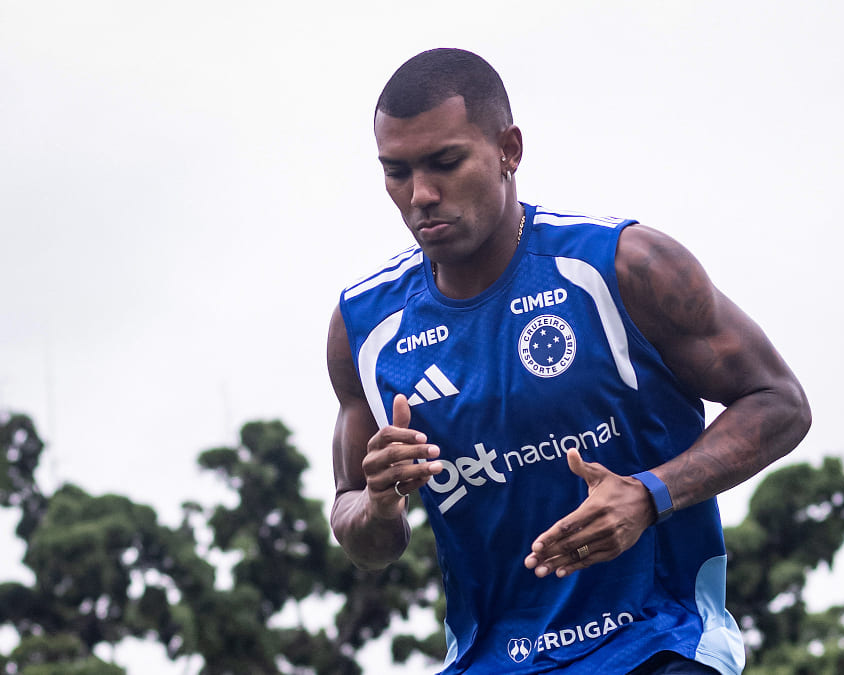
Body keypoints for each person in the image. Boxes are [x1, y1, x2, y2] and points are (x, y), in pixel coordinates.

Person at [328, 48, 811, 675]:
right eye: (397, 172)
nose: (420, 194)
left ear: (509, 150)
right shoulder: (364, 328)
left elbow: (779, 403)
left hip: (656, 645)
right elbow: (361, 535)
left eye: (445, 163)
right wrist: (378, 501)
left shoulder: (623, 266)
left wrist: (649, 494)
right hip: (491, 660)